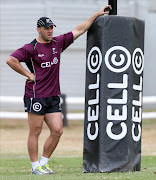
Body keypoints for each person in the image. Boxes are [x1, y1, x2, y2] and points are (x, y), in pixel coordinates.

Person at [6, 5, 111, 175]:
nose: (50, 31)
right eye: (46, 28)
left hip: (53, 96)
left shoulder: (58, 43)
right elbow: (11, 60)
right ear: (38, 29)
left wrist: (97, 15)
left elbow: (79, 30)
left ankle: (43, 163)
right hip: (36, 95)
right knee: (36, 131)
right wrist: (28, 74)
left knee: (57, 131)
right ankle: (35, 167)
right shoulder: (31, 48)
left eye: (51, 28)